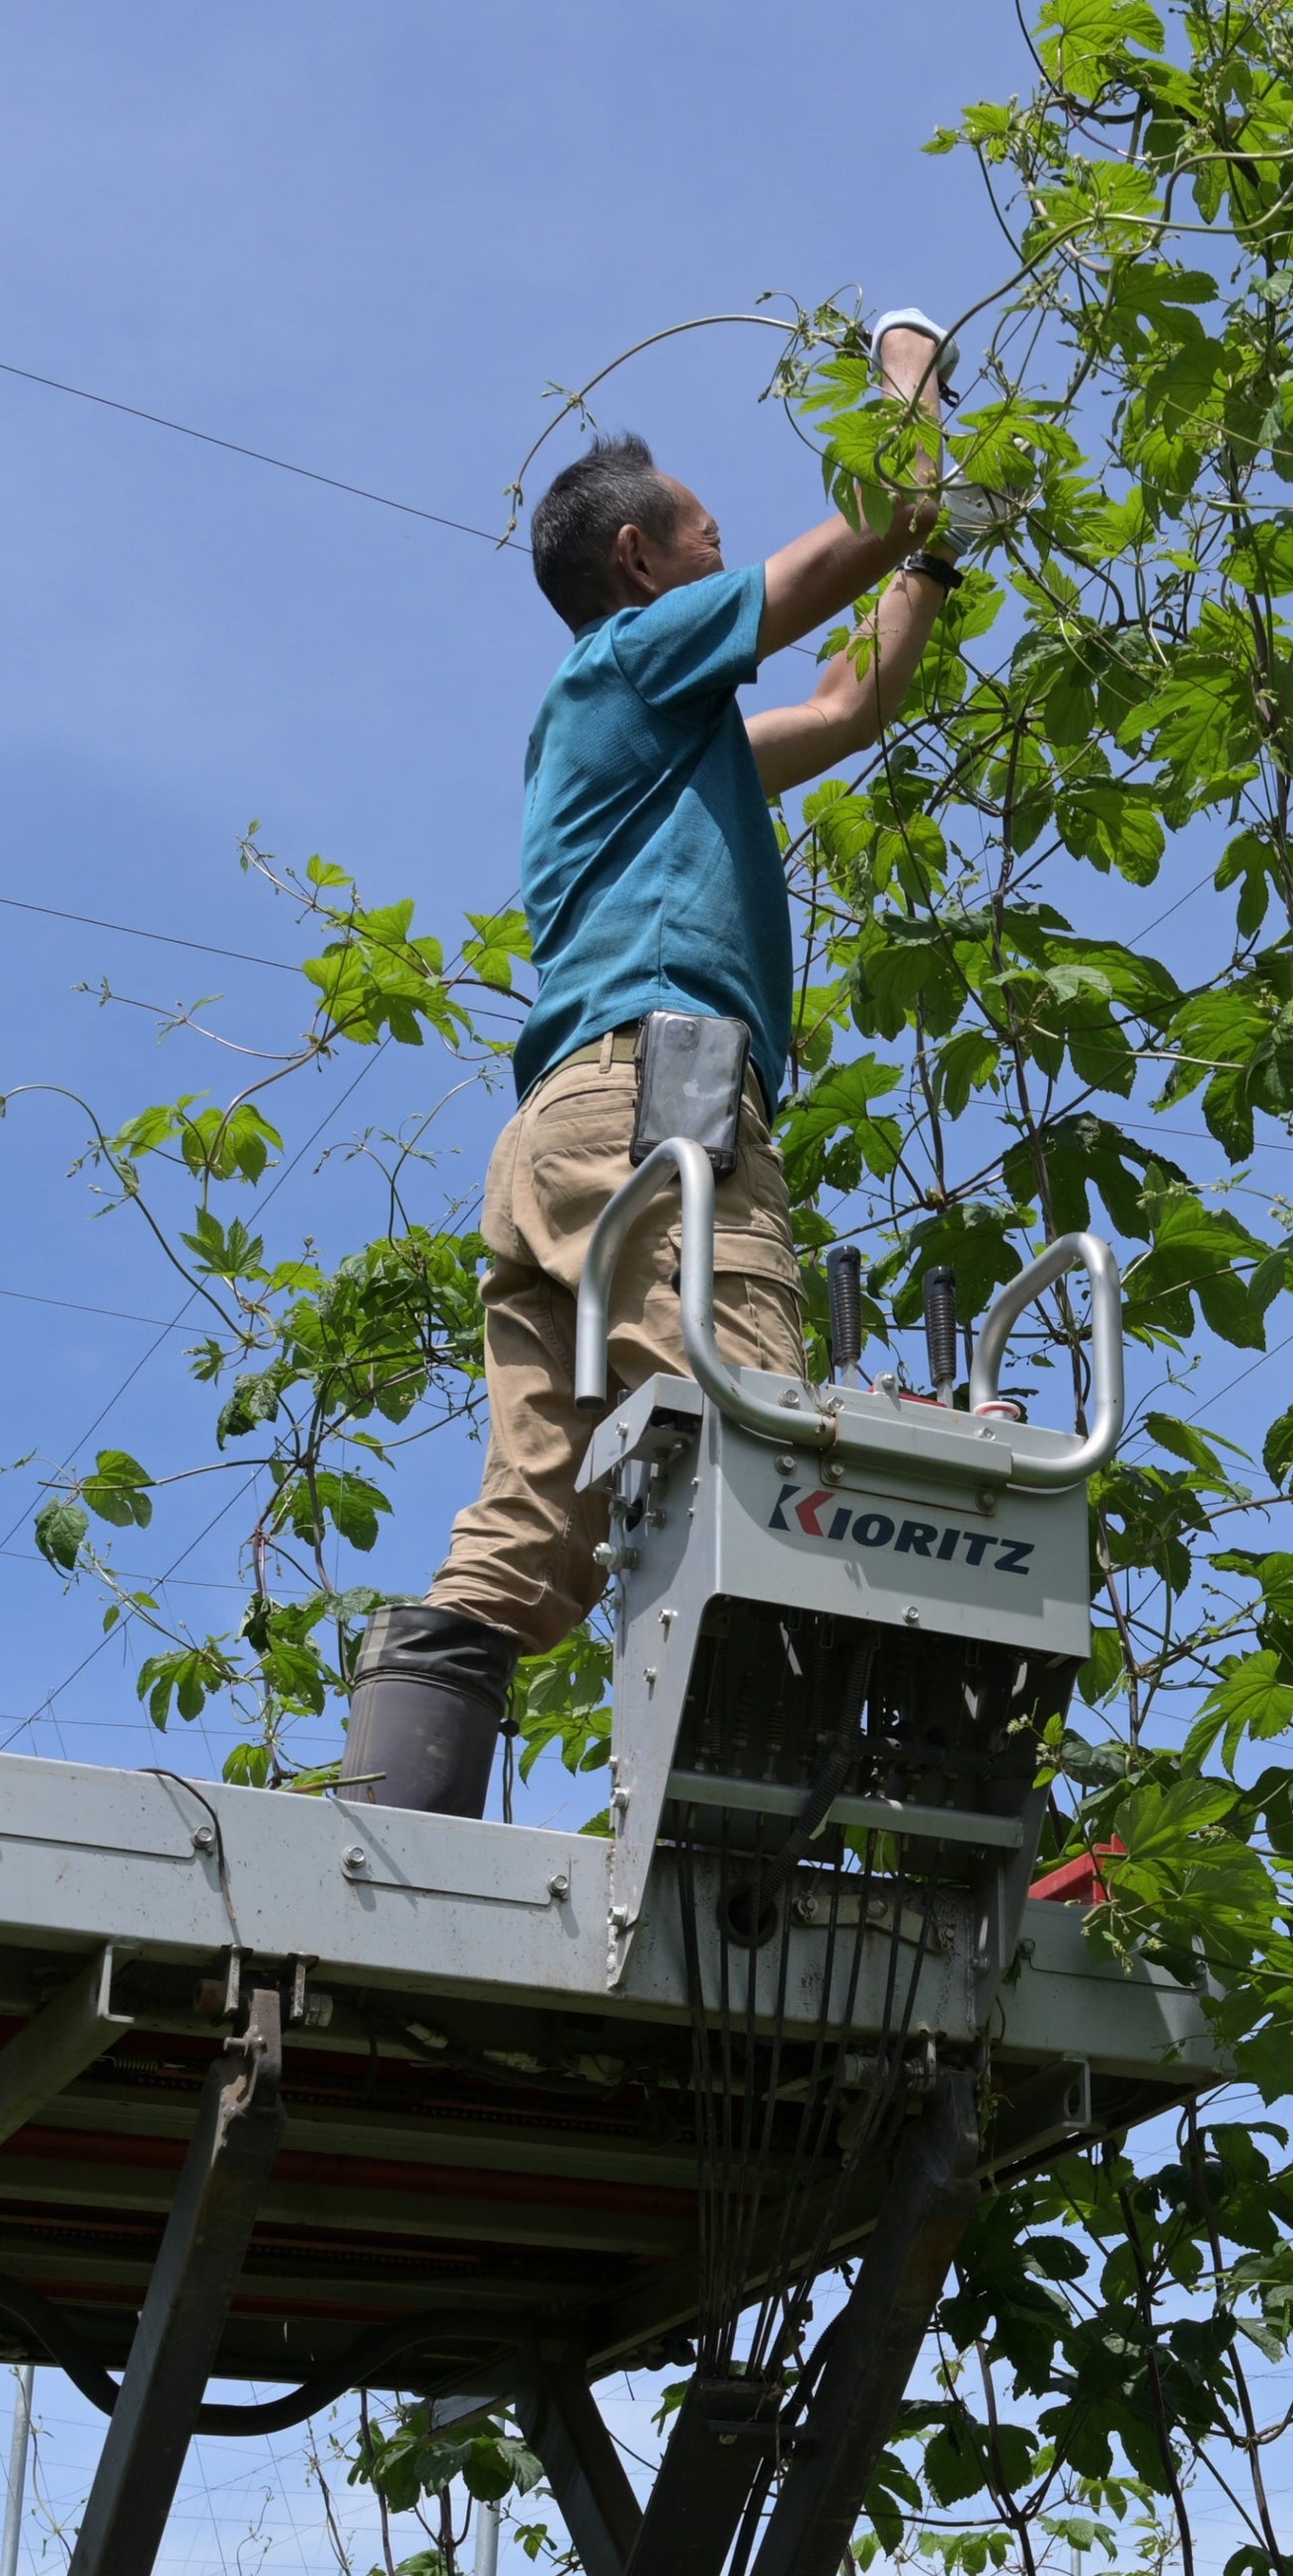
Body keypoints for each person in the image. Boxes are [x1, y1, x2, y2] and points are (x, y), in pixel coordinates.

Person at [337, 316, 958, 1816]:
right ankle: (726, 1832)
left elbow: (851, 705)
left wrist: (934, 567)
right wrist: (914, 390)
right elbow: (873, 527)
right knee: (745, 1425)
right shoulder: (626, 661)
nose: (725, 537)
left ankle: (379, 1832)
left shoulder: (660, 740)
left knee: (541, 1513)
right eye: (703, 530)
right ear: (638, 561)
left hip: (562, 1132)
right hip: (663, 1097)